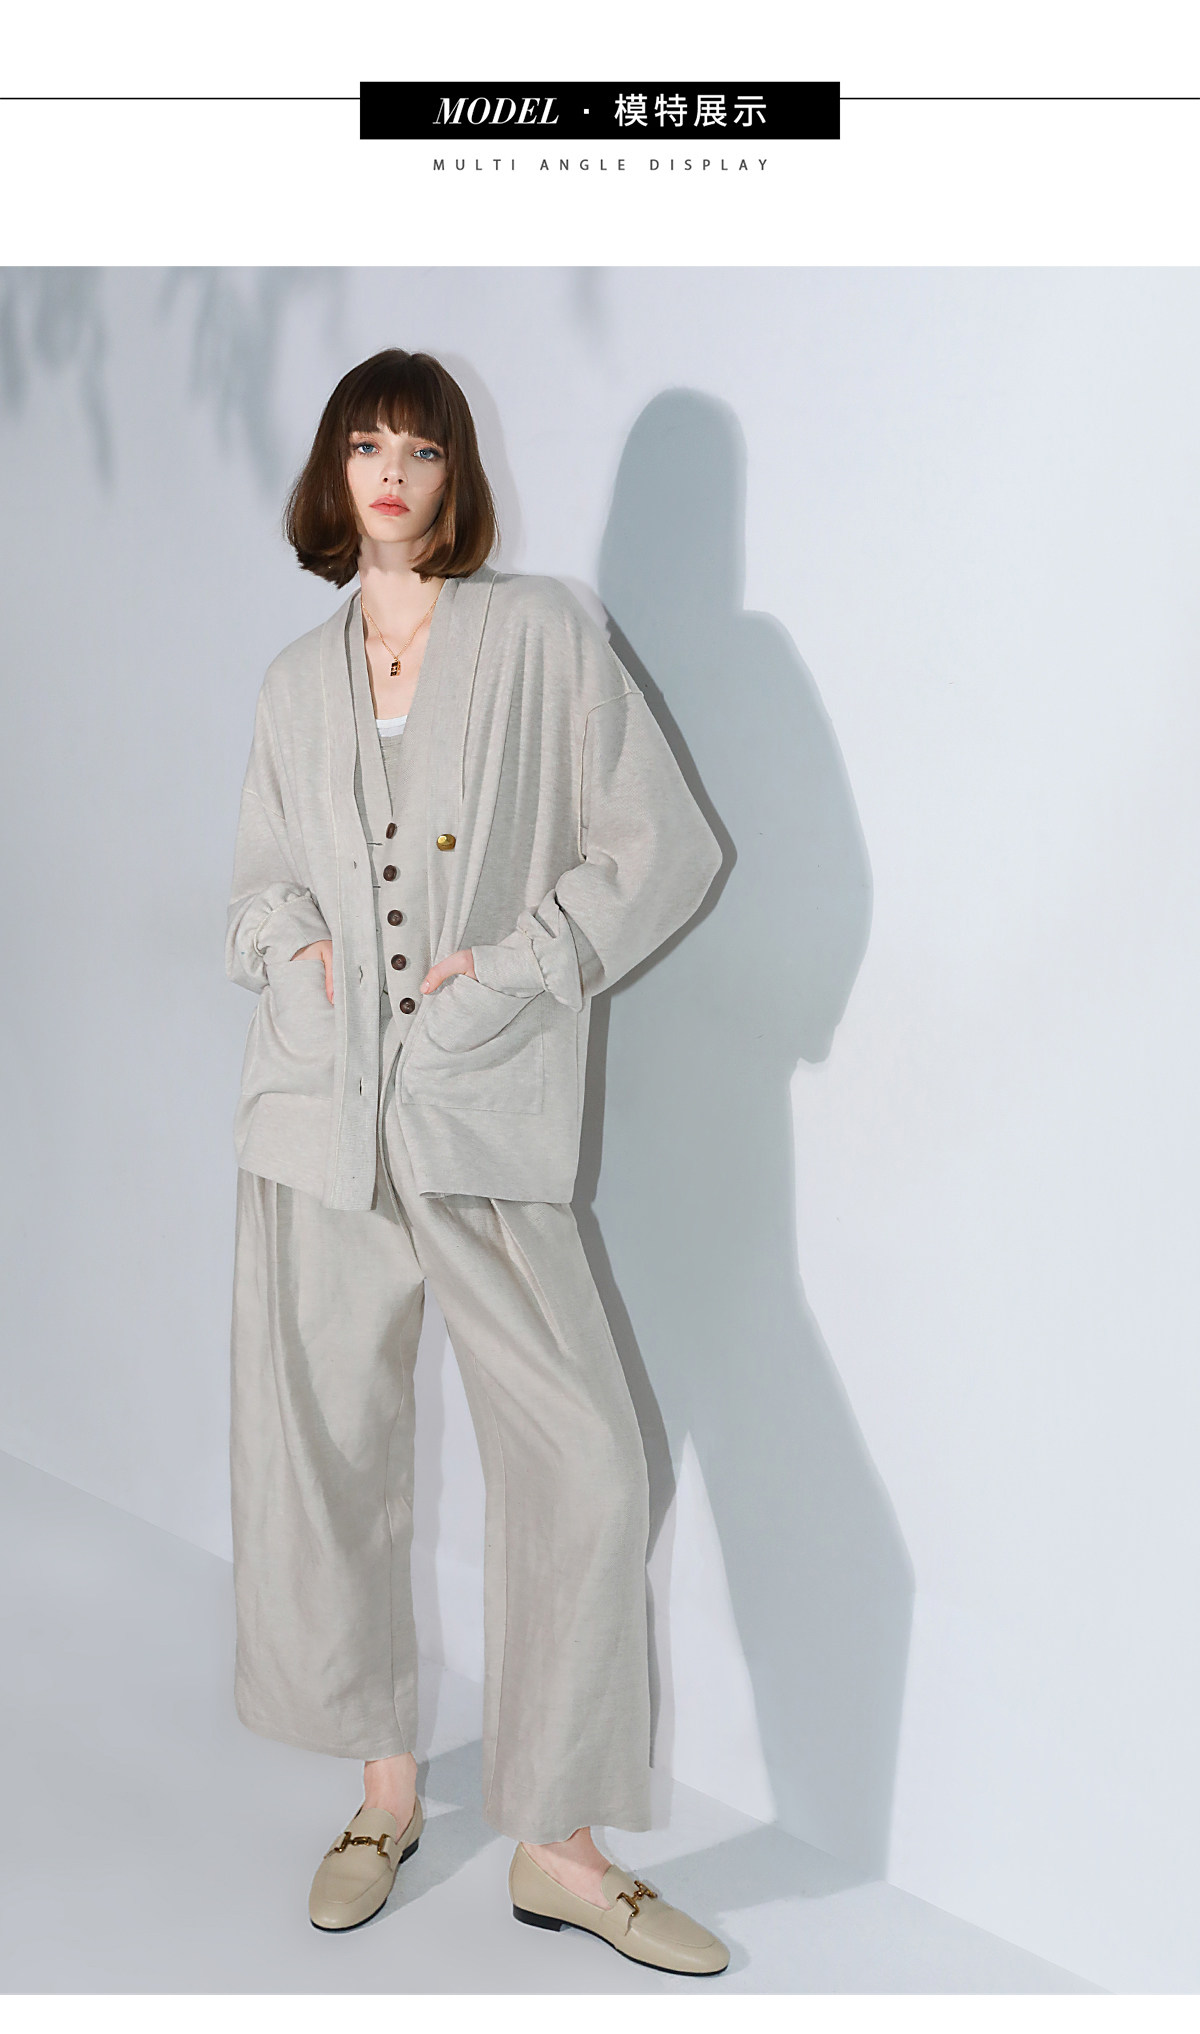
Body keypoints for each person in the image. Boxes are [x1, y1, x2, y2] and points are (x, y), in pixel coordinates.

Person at [224, 347, 728, 1975]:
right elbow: (254, 886)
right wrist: (293, 947)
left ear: (456, 475)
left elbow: (661, 848)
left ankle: (558, 1844)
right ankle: (385, 1795)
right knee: (331, 1456)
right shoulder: (293, 682)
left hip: (474, 1112)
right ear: (334, 472)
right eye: (365, 444)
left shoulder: (541, 636)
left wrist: (518, 967)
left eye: (420, 448)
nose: (391, 471)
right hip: (316, 1117)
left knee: (589, 1460)